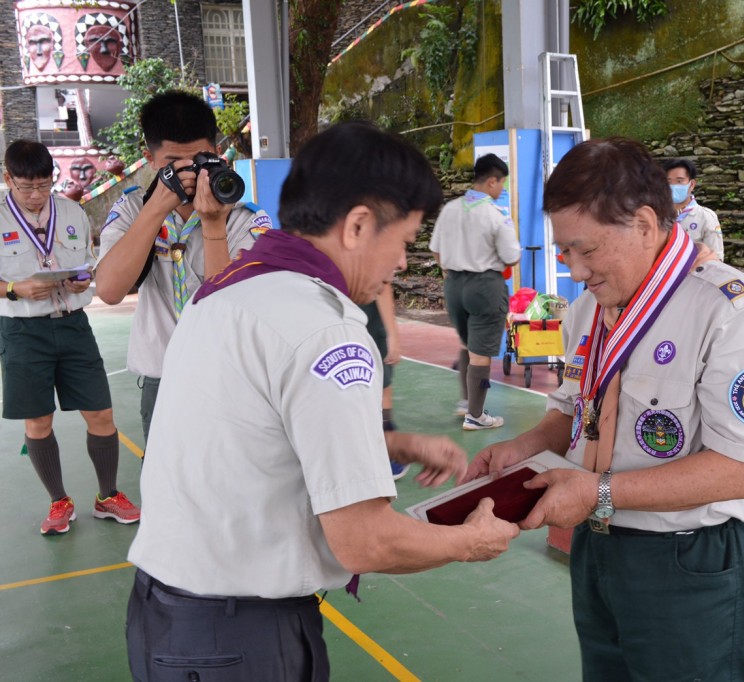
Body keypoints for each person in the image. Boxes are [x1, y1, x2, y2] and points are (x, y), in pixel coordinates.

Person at [125, 121, 520, 681]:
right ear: (359, 225)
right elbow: (364, 542)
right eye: (404, 241)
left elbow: (248, 435)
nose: (403, 263)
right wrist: (467, 541)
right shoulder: (324, 330)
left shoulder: (231, 290)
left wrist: (389, 442)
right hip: (242, 641)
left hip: (166, 621)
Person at [463, 138, 744, 681]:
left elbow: (740, 470)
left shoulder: (734, 316)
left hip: (690, 561)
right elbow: (575, 411)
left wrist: (597, 492)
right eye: (564, 253)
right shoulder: (590, 309)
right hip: (600, 550)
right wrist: (521, 447)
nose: (575, 271)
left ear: (645, 224)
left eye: (587, 250)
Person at [95, 90, 271, 443]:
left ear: (217, 154)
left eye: (201, 160)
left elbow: (228, 311)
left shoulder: (245, 218)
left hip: (230, 377)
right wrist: (155, 209)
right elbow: (110, 291)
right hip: (162, 379)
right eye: (174, 164)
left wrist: (213, 225)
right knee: (167, 493)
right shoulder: (132, 211)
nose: (190, 173)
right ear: (150, 159)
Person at [0, 140, 139, 535]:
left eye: (43, 185)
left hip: (74, 324)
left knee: (100, 413)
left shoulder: (72, 211)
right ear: (9, 178)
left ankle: (108, 495)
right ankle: (59, 501)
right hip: (23, 330)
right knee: (39, 422)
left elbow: (88, 263)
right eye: (26, 187)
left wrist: (83, 279)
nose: (36, 195)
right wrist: (14, 289)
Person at [429, 153, 520, 430]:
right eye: (501, 183)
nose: (502, 189)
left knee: (468, 345)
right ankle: (476, 416)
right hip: (484, 286)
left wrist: (453, 273)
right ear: (491, 181)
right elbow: (511, 256)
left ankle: (465, 402)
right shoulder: (496, 215)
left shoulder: (450, 209)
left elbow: (435, 250)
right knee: (481, 354)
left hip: (454, 285)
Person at [359, 283, 408, 479]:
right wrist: (393, 334)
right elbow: (382, 285)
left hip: (340, 313)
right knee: (383, 387)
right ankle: (386, 455)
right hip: (366, 316)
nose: (402, 263)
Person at [662, 157, 724, 260]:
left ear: (692, 184)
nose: (673, 186)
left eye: (679, 181)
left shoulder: (706, 217)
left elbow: (716, 258)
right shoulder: (657, 216)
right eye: (669, 182)